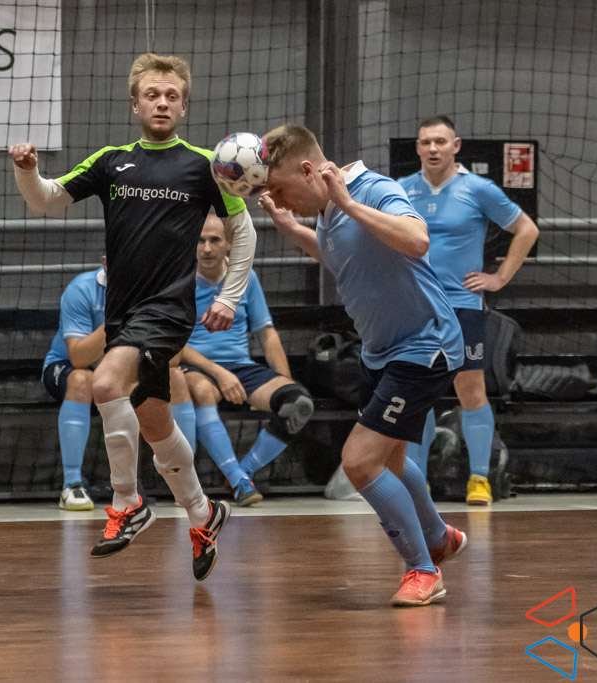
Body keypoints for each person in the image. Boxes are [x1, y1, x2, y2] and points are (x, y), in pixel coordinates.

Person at [10, 52, 257, 581]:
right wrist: (27, 171)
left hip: (167, 310)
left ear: (184, 107)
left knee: (104, 384)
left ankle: (127, 502)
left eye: (172, 96)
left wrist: (229, 298)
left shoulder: (204, 165)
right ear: (135, 104)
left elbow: (245, 232)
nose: (162, 102)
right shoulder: (111, 161)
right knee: (154, 422)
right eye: (152, 94)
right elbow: (45, 201)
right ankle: (203, 513)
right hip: (122, 313)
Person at [258, 124, 467, 607]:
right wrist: (293, 230)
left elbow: (417, 240)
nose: (279, 199)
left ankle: (423, 570)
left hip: (425, 345)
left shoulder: (370, 189)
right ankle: (439, 538)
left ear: (308, 170)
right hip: (381, 351)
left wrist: (350, 204)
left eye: (281, 189)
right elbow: (343, 256)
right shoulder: (327, 211)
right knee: (390, 462)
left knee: (358, 462)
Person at [396, 115, 539, 505]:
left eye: (440, 142)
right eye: (426, 142)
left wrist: (499, 277)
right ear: (418, 147)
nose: (433, 149)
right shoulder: (400, 189)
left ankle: (479, 479)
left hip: (462, 305)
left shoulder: (478, 189)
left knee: (470, 389)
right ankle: (417, 483)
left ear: (455, 145)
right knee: (416, 391)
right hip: (415, 305)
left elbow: (527, 229)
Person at [41, 257, 198, 511]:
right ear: (106, 261)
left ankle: (184, 484)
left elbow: (172, 358)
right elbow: (79, 357)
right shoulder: (81, 288)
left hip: (122, 371)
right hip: (68, 367)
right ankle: (72, 484)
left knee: (176, 377)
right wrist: (119, 316)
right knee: (83, 380)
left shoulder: (156, 290)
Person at [181, 214, 315, 507]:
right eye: (200, 241)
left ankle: (244, 472)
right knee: (201, 390)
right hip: (196, 367)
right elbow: (174, 342)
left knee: (298, 403)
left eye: (214, 240)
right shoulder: (180, 280)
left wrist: (284, 380)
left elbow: (267, 334)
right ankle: (239, 481)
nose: (206, 248)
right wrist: (219, 373)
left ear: (229, 244)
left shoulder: (245, 277)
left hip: (241, 367)